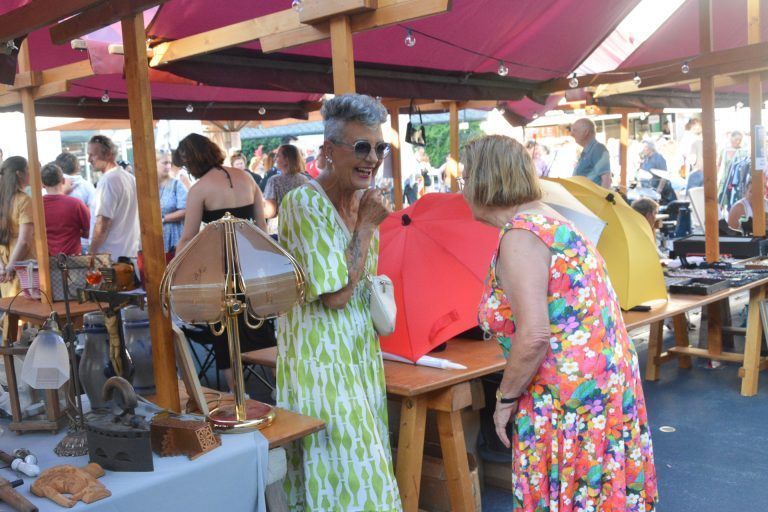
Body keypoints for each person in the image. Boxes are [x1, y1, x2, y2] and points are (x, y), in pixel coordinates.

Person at [463, 135, 657, 511]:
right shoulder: (550, 218)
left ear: (484, 180)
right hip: (598, 391)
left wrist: (504, 400)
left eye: (466, 179)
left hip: (567, 402)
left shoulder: (522, 233)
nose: (463, 190)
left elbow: (534, 335)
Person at [277, 94, 401, 511]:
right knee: (355, 476)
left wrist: (365, 222)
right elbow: (336, 295)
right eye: (361, 147)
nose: (372, 158)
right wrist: (365, 227)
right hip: (317, 364)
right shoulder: (303, 203)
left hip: (359, 358)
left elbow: (363, 285)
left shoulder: (364, 203)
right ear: (328, 151)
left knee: (358, 471)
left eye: (379, 147)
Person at [175, 133, 271, 391]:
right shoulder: (247, 178)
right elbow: (262, 228)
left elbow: (188, 237)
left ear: (191, 161)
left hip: (221, 269)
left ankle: (237, 393)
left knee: (223, 331)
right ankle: (275, 387)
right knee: (258, 324)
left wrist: (174, 271)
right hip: (251, 265)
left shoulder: (199, 189)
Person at [87, 135, 140, 260]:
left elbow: (102, 223)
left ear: (108, 155)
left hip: (109, 259)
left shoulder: (108, 180)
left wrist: (90, 255)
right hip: (129, 254)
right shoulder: (130, 178)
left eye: (92, 155)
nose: (89, 159)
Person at [0, 157, 35, 298]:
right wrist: (10, 267)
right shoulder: (24, 200)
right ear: (20, 173)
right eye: (28, 169)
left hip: (4, 261)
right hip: (23, 263)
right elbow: (24, 241)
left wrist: (2, 266)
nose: (30, 173)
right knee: (28, 313)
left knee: (10, 312)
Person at [41, 163, 90, 256]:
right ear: (63, 181)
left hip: (47, 260)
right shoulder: (76, 204)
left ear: (43, 185)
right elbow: (88, 231)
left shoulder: (37, 206)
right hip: (73, 260)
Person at [263, 144, 308, 223]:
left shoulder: (275, 181)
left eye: (278, 156)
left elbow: (270, 212)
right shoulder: (304, 180)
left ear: (286, 160)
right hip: (301, 225)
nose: (275, 159)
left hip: (281, 227)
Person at [157, 151, 187, 254]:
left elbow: (186, 210)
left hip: (174, 238)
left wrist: (163, 219)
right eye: (164, 163)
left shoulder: (176, 184)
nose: (168, 166)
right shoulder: (147, 186)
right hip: (154, 239)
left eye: (170, 163)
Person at [571, 118, 612, 188]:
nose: (572, 134)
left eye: (575, 130)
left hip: (592, 198)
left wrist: (601, 198)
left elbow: (606, 180)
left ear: (586, 132)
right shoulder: (588, 150)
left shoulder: (598, 149)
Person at [639, 140, 676, 205]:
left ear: (650, 148)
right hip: (650, 192)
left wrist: (658, 192)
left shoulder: (659, 158)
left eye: (645, 147)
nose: (643, 149)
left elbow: (664, 175)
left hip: (663, 194)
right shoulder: (645, 159)